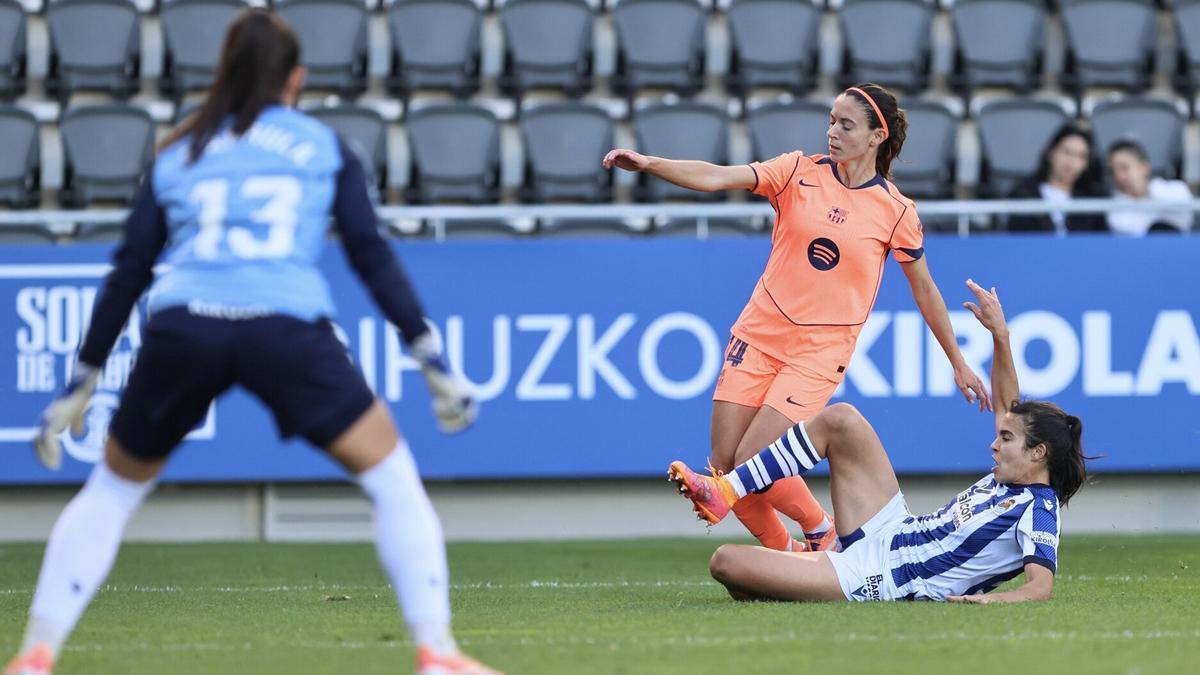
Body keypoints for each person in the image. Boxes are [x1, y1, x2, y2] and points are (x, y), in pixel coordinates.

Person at [5, 11, 499, 675]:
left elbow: (129, 270)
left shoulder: (179, 151)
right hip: (284, 325)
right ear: (296, 78)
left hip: (184, 326)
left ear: (224, 71)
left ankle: (35, 656)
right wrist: (429, 357)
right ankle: (436, 651)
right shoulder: (324, 146)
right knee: (392, 480)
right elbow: (370, 257)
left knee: (112, 492)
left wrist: (83, 375)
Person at [602, 83, 990, 554]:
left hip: (819, 353)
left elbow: (924, 290)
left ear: (875, 138)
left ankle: (819, 528)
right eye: (831, 120)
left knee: (749, 467)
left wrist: (959, 361)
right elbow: (717, 176)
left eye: (846, 125)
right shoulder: (796, 171)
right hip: (758, 333)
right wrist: (650, 164)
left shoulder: (896, 211)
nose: (832, 131)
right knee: (725, 468)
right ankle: (791, 553)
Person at [668, 279, 1090, 603]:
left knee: (726, 562)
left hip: (882, 576)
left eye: (1006, 439)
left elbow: (1040, 587)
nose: (993, 445)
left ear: (1039, 453)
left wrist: (987, 602)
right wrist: (1001, 335)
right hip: (892, 527)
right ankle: (743, 497)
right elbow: (1007, 403)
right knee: (842, 420)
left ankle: (805, 558)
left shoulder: (1038, 509)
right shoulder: (1010, 474)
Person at [1007, 123, 1108, 234]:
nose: (1072, 162)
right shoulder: (1023, 195)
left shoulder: (1093, 203)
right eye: (1067, 152)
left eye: (1081, 156)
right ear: (1050, 152)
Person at [1105, 139, 1194, 236]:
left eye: (1124, 168)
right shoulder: (1114, 210)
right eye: (1113, 171)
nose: (1119, 177)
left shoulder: (1176, 189)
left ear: (1145, 168)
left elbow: (1183, 221)